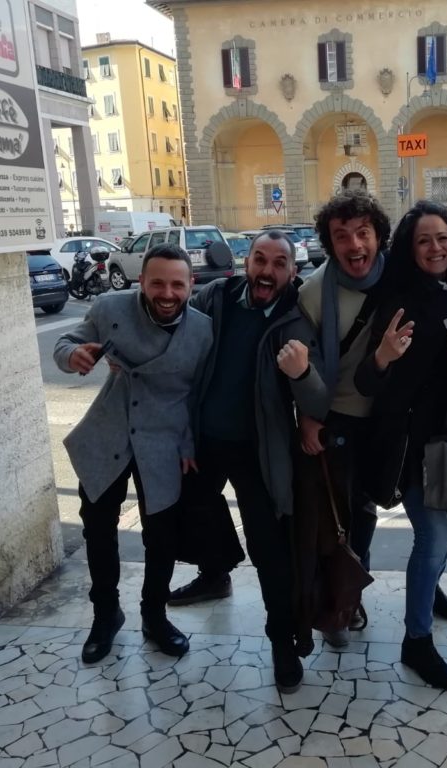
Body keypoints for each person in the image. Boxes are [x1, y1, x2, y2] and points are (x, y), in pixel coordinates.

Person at [166, 230, 329, 692]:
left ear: (292, 272)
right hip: (205, 440)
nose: (267, 270)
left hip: (260, 452)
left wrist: (302, 373)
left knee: (269, 550)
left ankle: (282, 640)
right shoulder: (218, 298)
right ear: (246, 262)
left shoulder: (296, 319)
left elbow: (318, 400)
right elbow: (170, 318)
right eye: (260, 259)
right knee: (192, 506)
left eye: (279, 263)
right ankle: (215, 572)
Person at [54, 243, 213, 663]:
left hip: (164, 438)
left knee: (161, 536)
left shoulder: (203, 330)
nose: (167, 293)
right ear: (141, 281)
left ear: (191, 285)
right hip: (110, 430)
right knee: (97, 529)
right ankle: (106, 614)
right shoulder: (109, 308)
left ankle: (154, 616)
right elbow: (66, 343)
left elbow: (198, 396)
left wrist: (188, 443)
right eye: (157, 283)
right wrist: (74, 355)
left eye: (177, 285)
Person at [354, 201, 447, 690]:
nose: (436, 248)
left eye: (443, 238)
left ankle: (432, 590)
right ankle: (416, 640)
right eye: (424, 240)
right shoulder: (399, 300)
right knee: (433, 536)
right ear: (409, 247)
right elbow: (366, 381)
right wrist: (383, 357)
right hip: (411, 444)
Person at [292, 189, 391, 650]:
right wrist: (308, 417)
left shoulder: (398, 277)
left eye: (363, 233)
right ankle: (339, 604)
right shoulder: (314, 293)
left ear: (378, 236)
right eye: (342, 236)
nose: (355, 245)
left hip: (389, 418)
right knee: (338, 520)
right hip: (340, 421)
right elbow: (303, 363)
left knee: (370, 512)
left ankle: (356, 591)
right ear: (329, 243)